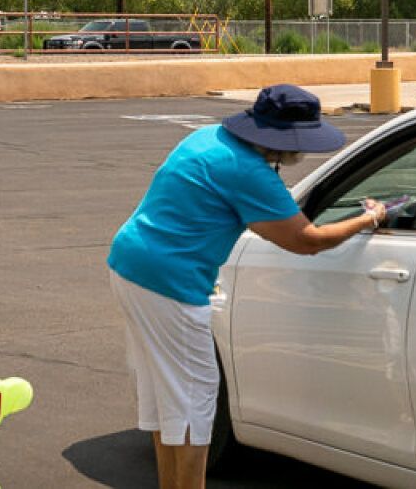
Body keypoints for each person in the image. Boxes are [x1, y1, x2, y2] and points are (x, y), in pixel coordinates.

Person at [106, 84, 386, 489]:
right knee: (195, 400)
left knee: (167, 396)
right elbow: (306, 240)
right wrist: (369, 218)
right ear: (284, 140)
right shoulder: (248, 172)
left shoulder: (207, 138)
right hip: (171, 284)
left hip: (130, 266)